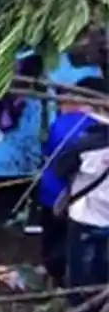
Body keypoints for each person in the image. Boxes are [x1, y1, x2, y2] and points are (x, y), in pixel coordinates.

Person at [36, 76, 107, 286]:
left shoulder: (66, 125)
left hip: (62, 198)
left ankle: (61, 281)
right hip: (97, 209)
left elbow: (53, 158)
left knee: (59, 245)